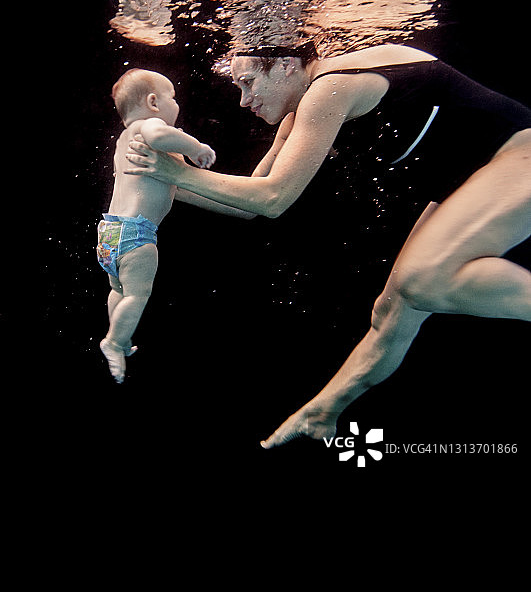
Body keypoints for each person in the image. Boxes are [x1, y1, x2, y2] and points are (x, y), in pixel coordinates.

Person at [123, 42, 531, 444]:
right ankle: (323, 412)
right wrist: (153, 182)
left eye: (248, 83)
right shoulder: (298, 112)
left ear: (284, 65)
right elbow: (250, 200)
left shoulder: (328, 88)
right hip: (469, 177)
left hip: (519, 155)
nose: (244, 100)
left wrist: (178, 174)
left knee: (424, 282)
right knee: (393, 309)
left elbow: (273, 199)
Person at [98, 67, 253, 384]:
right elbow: (159, 135)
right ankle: (113, 342)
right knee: (138, 295)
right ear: (153, 101)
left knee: (119, 289)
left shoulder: (122, 142)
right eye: (173, 97)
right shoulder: (150, 126)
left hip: (109, 232)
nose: (176, 104)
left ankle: (120, 334)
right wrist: (195, 148)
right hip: (137, 233)